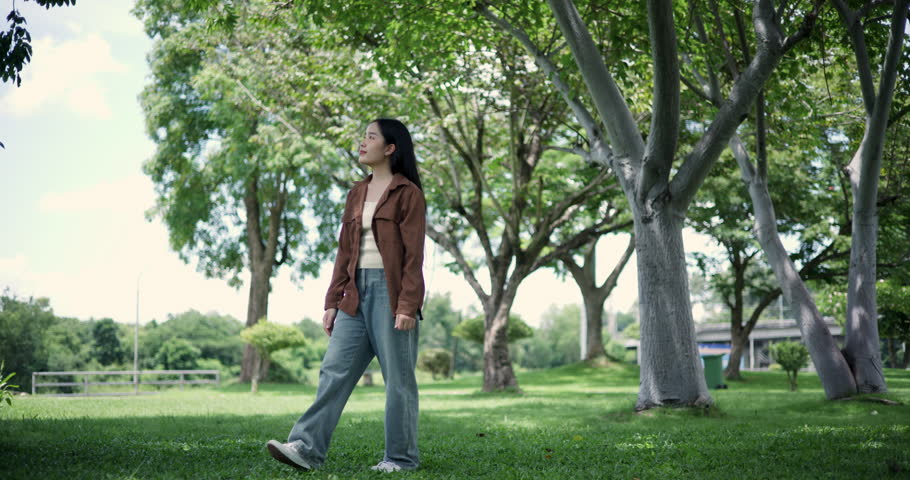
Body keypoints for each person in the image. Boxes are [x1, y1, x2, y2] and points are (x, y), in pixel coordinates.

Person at [267, 118, 426, 473]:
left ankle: (400, 459)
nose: (363, 142)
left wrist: (407, 305)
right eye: (363, 136)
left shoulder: (408, 194)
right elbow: (344, 252)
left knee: (398, 381)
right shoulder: (357, 192)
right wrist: (332, 301)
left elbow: (415, 255)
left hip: (392, 293)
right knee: (333, 370)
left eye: (371, 137)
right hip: (354, 292)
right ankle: (305, 448)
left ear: (390, 148)